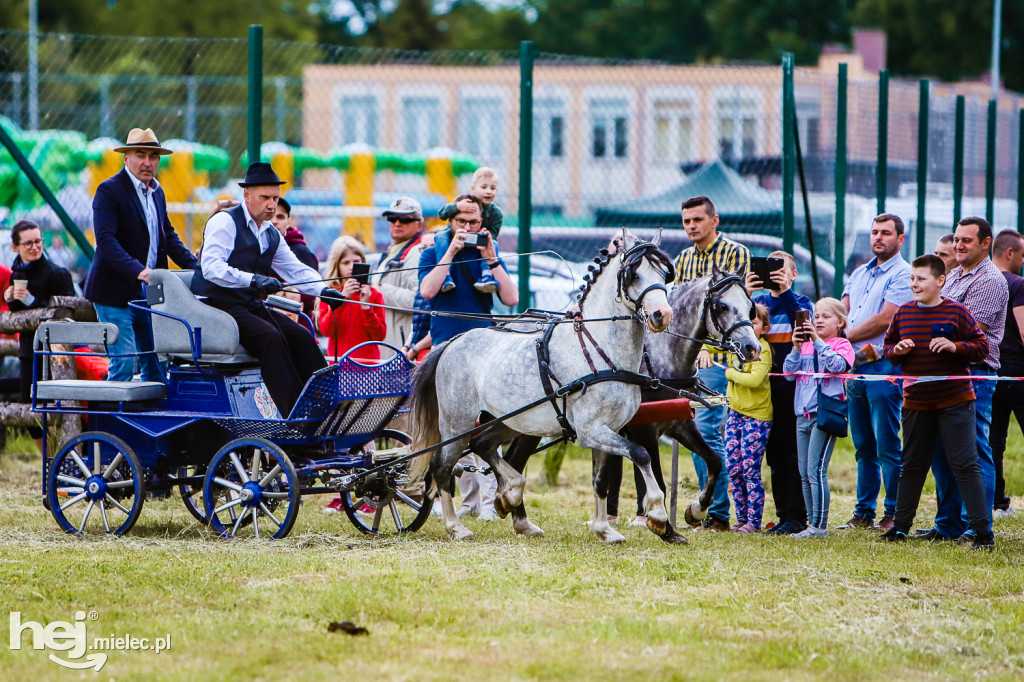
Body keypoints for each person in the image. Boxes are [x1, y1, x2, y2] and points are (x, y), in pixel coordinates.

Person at [191, 162, 343, 418]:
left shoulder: (270, 232)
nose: (272, 204)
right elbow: (211, 267)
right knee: (270, 338)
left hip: (246, 305)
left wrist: (324, 290)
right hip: (214, 306)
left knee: (300, 336)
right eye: (265, 198)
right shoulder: (225, 222)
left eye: (275, 198)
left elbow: (295, 269)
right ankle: (296, 416)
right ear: (247, 196)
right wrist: (253, 280)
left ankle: (330, 406)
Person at [881, 254, 994, 549]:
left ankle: (983, 533)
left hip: (955, 402)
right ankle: (900, 527)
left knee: (965, 465)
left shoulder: (956, 312)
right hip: (915, 402)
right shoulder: (903, 313)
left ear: (940, 281)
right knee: (912, 465)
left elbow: (982, 347)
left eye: (921, 279)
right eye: (912, 279)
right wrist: (899, 350)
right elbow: (888, 349)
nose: (914, 284)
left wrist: (955, 346)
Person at [420, 194, 517, 520]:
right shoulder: (434, 249)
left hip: (483, 350)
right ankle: (446, 497)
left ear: (482, 223)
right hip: (446, 348)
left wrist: (492, 260)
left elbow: (511, 297)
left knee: (490, 426)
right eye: (460, 221)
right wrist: (450, 250)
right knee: (444, 428)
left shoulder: (488, 251)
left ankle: (488, 504)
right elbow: (427, 292)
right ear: (451, 221)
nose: (467, 227)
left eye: (473, 222)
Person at [85, 127, 200, 383]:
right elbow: (105, 241)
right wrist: (138, 270)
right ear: (126, 158)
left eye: (153, 156)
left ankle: (152, 419)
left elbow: (168, 237)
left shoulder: (157, 192)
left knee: (157, 365)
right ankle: (110, 419)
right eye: (140, 155)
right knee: (124, 363)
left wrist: (199, 268)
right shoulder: (109, 190)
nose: (147, 162)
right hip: (114, 293)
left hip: (149, 292)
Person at [673, 195, 750, 532]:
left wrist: (711, 351)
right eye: (687, 221)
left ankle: (717, 512)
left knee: (706, 429)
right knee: (690, 430)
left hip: (720, 363)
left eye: (697, 220)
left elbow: (738, 309)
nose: (691, 226)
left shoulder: (736, 254)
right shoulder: (683, 259)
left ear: (714, 221)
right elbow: (676, 311)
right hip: (687, 364)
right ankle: (707, 507)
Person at [927, 216, 1006, 542]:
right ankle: (948, 525)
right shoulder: (956, 275)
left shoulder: (990, 280)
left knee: (973, 451)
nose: (958, 245)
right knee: (941, 452)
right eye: (956, 240)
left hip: (974, 374)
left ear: (986, 244)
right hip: (943, 371)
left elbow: (967, 332)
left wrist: (926, 325)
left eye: (966, 241)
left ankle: (977, 526)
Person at [841, 213, 912, 531]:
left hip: (883, 365)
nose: (878, 238)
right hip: (855, 366)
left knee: (887, 443)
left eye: (886, 232)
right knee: (863, 445)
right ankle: (863, 512)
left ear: (901, 238)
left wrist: (842, 339)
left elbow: (887, 319)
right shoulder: (858, 273)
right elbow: (842, 311)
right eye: (874, 232)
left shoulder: (903, 274)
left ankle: (894, 513)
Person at [745, 250, 812, 535]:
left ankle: (796, 517)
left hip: (791, 388)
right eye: (769, 268)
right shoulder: (757, 304)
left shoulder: (800, 301)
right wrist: (745, 294)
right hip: (762, 390)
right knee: (773, 455)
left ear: (794, 275)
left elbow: (804, 328)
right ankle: (784, 515)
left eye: (781, 269)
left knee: (790, 454)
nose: (774, 273)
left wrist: (785, 291)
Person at [783, 297, 855, 539]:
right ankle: (811, 524)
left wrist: (818, 341)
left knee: (816, 469)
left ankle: (820, 526)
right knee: (804, 472)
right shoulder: (804, 346)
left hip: (824, 413)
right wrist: (795, 347)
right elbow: (788, 374)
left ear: (841, 322)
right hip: (801, 414)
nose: (819, 320)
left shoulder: (843, 345)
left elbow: (837, 366)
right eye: (816, 316)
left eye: (826, 316)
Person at [3, 220, 75, 452]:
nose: (34, 247)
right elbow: (18, 313)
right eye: (28, 243)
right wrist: (11, 297)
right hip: (27, 351)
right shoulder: (17, 272)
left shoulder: (57, 273)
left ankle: (64, 462)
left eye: (38, 241)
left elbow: (67, 313)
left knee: (59, 410)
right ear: (16, 247)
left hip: (58, 355)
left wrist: (29, 301)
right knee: (29, 410)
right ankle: (52, 461)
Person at [723, 303, 773, 532]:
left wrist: (730, 373)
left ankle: (754, 522)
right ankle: (741, 518)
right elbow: (713, 345)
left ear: (764, 327)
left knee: (750, 470)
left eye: (754, 323)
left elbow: (754, 380)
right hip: (735, 414)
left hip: (757, 417)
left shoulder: (763, 350)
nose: (750, 327)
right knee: (733, 468)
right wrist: (704, 349)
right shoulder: (736, 347)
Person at [989, 229, 1024, 519]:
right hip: (1018, 372)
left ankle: (996, 501)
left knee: (993, 442)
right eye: (1022, 255)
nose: (1022, 262)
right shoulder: (1017, 284)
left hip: (990, 370)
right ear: (1010, 253)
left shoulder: (983, 281)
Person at [318, 235, 386, 364]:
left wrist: (366, 307)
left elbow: (379, 336)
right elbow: (326, 330)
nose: (351, 267)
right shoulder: (330, 293)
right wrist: (341, 301)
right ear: (337, 265)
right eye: (345, 263)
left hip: (367, 367)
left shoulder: (374, 294)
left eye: (356, 261)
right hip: (339, 364)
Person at [373, 197, 427, 359]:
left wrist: (379, 291)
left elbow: (419, 299)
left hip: (401, 346)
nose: (397, 223)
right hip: (388, 339)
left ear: (419, 224)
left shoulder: (416, 253)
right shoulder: (394, 250)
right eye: (392, 218)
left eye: (404, 219)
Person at [435, 167, 503, 294]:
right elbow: (442, 214)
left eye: (492, 188)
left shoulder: (496, 212)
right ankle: (445, 275)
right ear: (473, 188)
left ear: (497, 190)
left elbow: (494, 233)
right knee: (440, 237)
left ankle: (486, 275)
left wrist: (486, 234)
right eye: (484, 187)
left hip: (477, 241)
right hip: (453, 238)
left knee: (493, 244)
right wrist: (456, 206)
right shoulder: (464, 201)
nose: (488, 191)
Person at [270, 196, 319, 321]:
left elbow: (313, 296)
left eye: (280, 217)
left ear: (288, 222)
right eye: (270, 216)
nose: (274, 221)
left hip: (298, 321)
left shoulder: (302, 252)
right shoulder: (254, 248)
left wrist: (288, 293)